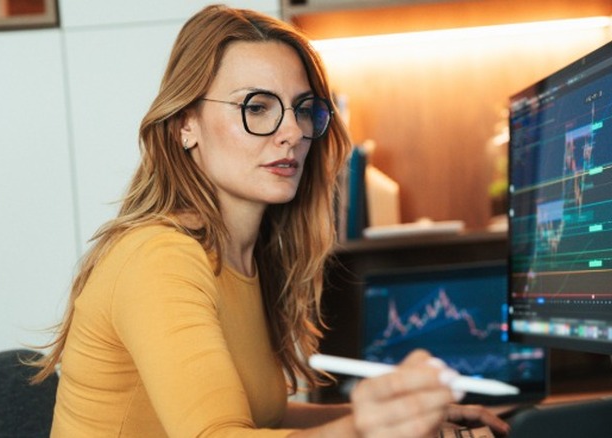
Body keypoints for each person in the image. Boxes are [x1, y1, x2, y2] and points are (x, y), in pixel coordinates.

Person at [30, 5, 509, 437]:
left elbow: (262, 419)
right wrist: (362, 432)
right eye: (257, 107)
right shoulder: (159, 258)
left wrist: (411, 423)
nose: (293, 132)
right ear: (185, 124)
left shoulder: (248, 257)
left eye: (303, 110)